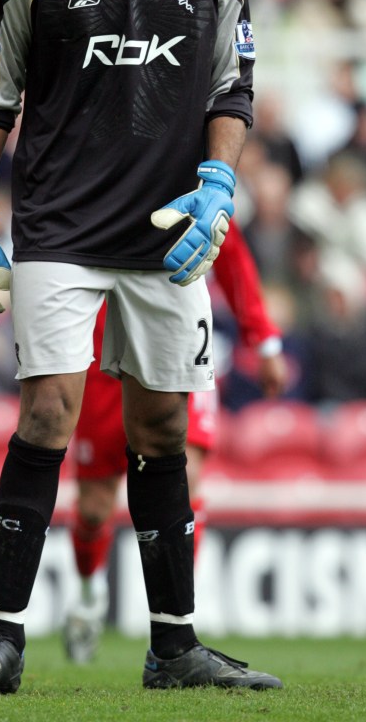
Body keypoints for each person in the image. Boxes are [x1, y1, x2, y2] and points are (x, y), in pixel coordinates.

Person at [0, 0, 283, 696]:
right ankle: (3, 637)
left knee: (163, 426)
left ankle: (174, 646)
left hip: (167, 233)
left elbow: (232, 91)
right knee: (49, 409)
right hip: (57, 226)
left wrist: (219, 182)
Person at [64, 220, 287, 662]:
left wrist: (262, 339)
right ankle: (89, 594)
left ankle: (176, 619)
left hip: (178, 340)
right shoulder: (92, 175)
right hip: (101, 357)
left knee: (184, 481)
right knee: (93, 508)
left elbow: (233, 254)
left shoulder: (185, 174)